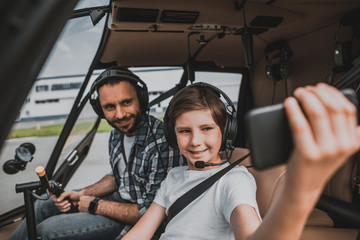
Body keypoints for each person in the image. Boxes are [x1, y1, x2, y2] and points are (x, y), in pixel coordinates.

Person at [123, 82, 360, 240]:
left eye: (207, 128)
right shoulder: (174, 177)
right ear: (172, 135)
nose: (196, 141)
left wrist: (301, 187)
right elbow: (142, 232)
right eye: (185, 131)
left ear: (226, 132)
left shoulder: (234, 180)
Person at [9, 67, 185, 240]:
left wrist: (94, 204)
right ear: (99, 109)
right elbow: (118, 177)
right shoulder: (118, 132)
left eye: (126, 102)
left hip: (137, 219)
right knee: (43, 205)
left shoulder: (161, 143)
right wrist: (83, 193)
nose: (120, 114)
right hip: (121, 198)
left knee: (45, 231)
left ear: (141, 99)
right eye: (109, 107)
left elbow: (150, 214)